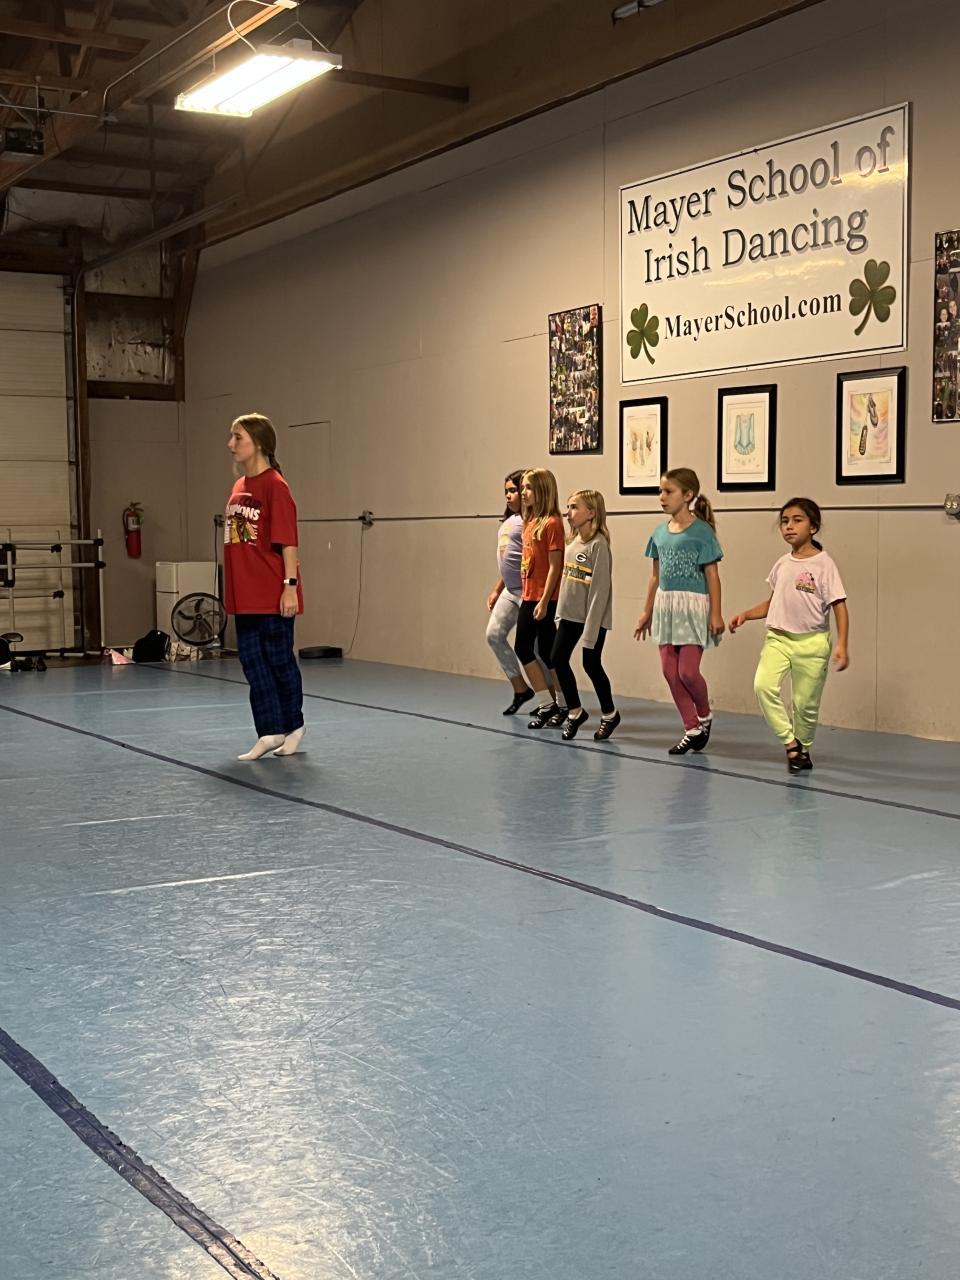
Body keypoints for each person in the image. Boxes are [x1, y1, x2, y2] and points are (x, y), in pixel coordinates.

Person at [730, 497, 848, 773]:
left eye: (797, 520)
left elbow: (840, 606)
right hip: (778, 639)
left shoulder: (824, 565)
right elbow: (773, 603)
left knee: (804, 704)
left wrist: (842, 644)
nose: (789, 526)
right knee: (763, 686)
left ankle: (802, 748)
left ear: (813, 527)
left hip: (812, 643)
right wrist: (746, 614)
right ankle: (790, 742)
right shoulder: (782, 564)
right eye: (784, 521)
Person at [224, 412, 305, 760]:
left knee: (278, 660)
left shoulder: (275, 486)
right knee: (252, 663)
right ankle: (269, 730)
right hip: (244, 593)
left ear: (257, 443)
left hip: (271, 592)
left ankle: (294, 725)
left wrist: (289, 586)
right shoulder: (239, 486)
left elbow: (288, 541)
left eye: (237, 437)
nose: (231, 444)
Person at [634, 467, 724, 754]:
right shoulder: (659, 533)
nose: (662, 497)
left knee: (688, 672)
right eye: (660, 491)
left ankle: (704, 714)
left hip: (692, 607)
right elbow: (655, 576)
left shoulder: (702, 532)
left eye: (668, 491)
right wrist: (647, 611)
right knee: (670, 672)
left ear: (688, 495)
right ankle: (691, 727)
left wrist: (716, 613)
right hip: (666, 607)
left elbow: (712, 575)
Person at [551, 490, 619, 741]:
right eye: (568, 507)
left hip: (593, 617)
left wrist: (591, 631)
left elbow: (599, 592)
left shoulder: (598, 545)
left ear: (591, 513)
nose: (568, 512)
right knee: (557, 659)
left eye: (574, 507)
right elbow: (566, 583)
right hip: (569, 616)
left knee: (591, 663)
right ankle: (575, 712)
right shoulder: (571, 543)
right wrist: (559, 614)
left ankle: (610, 715)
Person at [485, 470, 550, 714]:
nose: (510, 495)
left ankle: (552, 699)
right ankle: (521, 688)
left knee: (537, 650)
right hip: (510, 591)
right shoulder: (509, 522)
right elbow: (509, 564)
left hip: (528, 592)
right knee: (494, 635)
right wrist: (496, 589)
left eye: (514, 490)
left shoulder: (530, 522)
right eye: (507, 491)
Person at [513, 468, 565, 729]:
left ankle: (563, 704)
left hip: (544, 597)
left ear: (542, 490)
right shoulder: (529, 522)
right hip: (529, 594)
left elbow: (556, 566)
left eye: (529, 487)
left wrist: (545, 601)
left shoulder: (552, 523)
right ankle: (547, 702)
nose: (523, 493)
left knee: (548, 652)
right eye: (522, 487)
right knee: (525, 648)